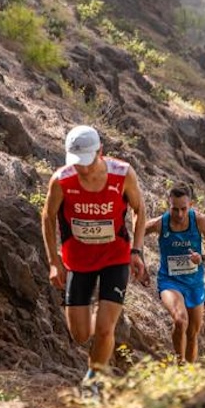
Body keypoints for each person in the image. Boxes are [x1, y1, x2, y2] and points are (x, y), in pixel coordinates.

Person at [41, 125, 148, 393]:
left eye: (87, 162)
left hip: (115, 257)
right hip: (77, 261)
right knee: (80, 334)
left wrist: (137, 250)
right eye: (77, 162)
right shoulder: (61, 180)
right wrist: (54, 261)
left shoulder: (123, 174)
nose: (83, 169)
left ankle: (93, 382)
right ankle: (97, 324)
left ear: (101, 151)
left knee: (103, 329)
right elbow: (47, 217)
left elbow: (139, 209)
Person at [144, 184, 205, 363]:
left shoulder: (200, 221)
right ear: (168, 205)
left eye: (183, 209)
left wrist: (202, 257)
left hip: (194, 284)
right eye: (175, 209)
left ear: (191, 205)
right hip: (169, 282)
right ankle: (179, 364)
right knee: (180, 320)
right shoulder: (160, 223)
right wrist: (136, 259)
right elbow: (135, 235)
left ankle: (189, 372)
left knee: (192, 334)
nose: (179, 214)